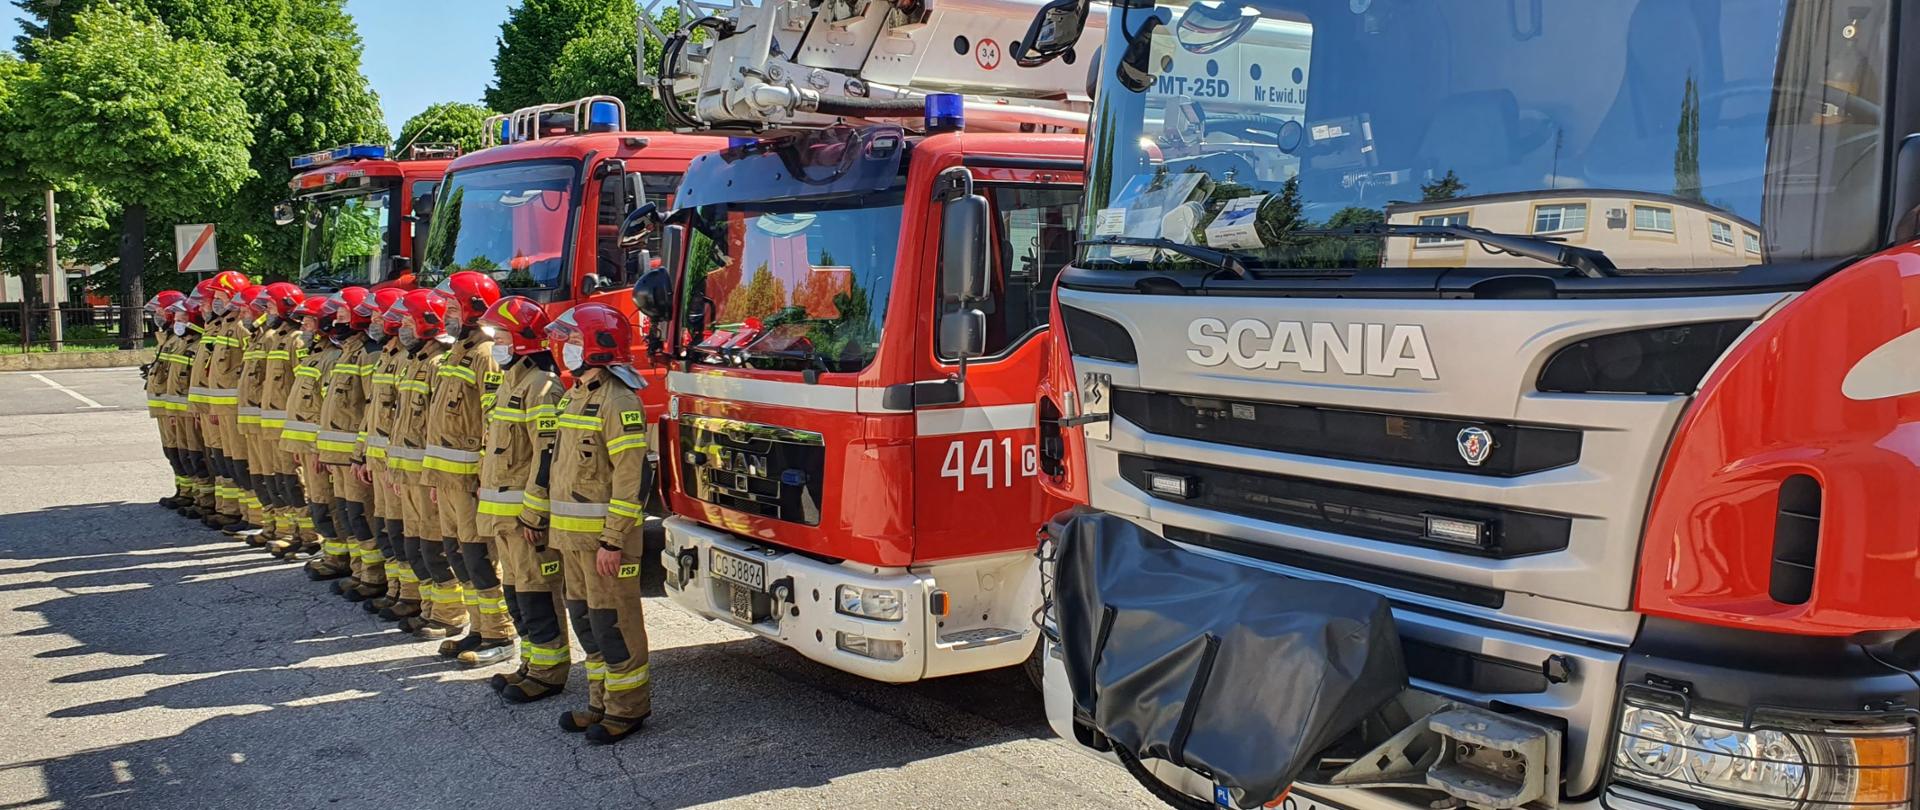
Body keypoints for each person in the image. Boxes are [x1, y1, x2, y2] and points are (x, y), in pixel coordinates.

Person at [519, 303, 653, 744]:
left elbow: (632, 480)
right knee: (586, 622)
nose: (566, 348)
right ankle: (600, 702)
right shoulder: (576, 393)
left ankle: (628, 708)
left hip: (604, 545)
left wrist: (613, 541)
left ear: (598, 346)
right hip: (572, 539)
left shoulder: (619, 401)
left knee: (614, 624)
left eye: (575, 340)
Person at [476, 297, 569, 685]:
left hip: (524, 519)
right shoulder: (509, 383)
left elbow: (546, 459)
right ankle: (530, 665)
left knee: (537, 594)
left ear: (521, 340)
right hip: (502, 515)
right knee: (516, 593)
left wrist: (535, 514)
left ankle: (549, 672)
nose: (496, 344)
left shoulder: (542, 388)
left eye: (501, 337)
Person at [421, 272, 509, 661]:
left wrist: (484, 477)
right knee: (459, 554)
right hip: (449, 479)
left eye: (454, 307)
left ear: (474, 307)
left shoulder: (486, 354)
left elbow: (493, 419)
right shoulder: (458, 350)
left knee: (480, 557)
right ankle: (478, 628)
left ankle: (499, 635)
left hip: (471, 480)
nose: (447, 314)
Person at [388, 289, 460, 638]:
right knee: (418, 544)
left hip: (426, 473)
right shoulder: (414, 362)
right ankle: (430, 608)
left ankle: (448, 614)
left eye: (406, 322)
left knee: (435, 546)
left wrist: (432, 476)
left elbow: (437, 427)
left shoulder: (436, 365)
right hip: (408, 471)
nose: (401, 329)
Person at [310, 287, 382, 586]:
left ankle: (373, 575)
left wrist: (360, 452)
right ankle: (357, 568)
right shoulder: (347, 352)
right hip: (337, 452)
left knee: (362, 513)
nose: (337, 321)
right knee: (347, 512)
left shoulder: (368, 354)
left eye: (342, 316)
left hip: (352, 450)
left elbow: (370, 406)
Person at [275, 292, 353, 559]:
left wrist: (322, 448)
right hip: (308, 446)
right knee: (319, 502)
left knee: (326, 502)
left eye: (309, 322)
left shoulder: (331, 357)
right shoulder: (314, 355)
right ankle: (333, 555)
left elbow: (328, 409)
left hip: (319, 447)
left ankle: (338, 556)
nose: (303, 327)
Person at [347, 289, 409, 610]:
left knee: (401, 532)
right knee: (387, 529)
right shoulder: (386, 356)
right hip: (377, 458)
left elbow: (406, 422)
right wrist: (361, 453)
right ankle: (395, 590)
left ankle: (413, 598)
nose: (372, 322)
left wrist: (394, 465)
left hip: (393, 462)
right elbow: (371, 414)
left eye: (377, 316)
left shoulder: (403, 361)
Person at [187, 270, 254, 530]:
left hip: (233, 409)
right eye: (213, 297)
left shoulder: (239, 327)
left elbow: (250, 371)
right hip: (218, 407)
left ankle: (249, 515)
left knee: (239, 460)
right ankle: (230, 508)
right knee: (225, 461)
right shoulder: (220, 326)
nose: (215, 301)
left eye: (219, 296)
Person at [253, 283, 309, 548]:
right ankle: (289, 530)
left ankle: (307, 535)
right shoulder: (275, 337)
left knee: (294, 479)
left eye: (271, 306)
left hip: (287, 425)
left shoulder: (296, 339)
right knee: (280, 479)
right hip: (271, 423)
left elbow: (302, 385)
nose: (266, 310)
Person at [230, 284, 273, 542]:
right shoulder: (257, 337)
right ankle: (271, 526)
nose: (241, 313)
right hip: (252, 418)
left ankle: (295, 531)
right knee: (262, 475)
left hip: (269, 420)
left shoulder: (272, 339)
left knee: (281, 478)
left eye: (246, 309)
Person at [142, 290, 192, 509]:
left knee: (185, 451)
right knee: (172, 450)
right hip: (165, 404)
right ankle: (183, 490)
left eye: (161, 310)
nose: (158, 315)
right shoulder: (167, 338)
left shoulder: (181, 340)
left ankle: (192, 493)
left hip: (177, 406)